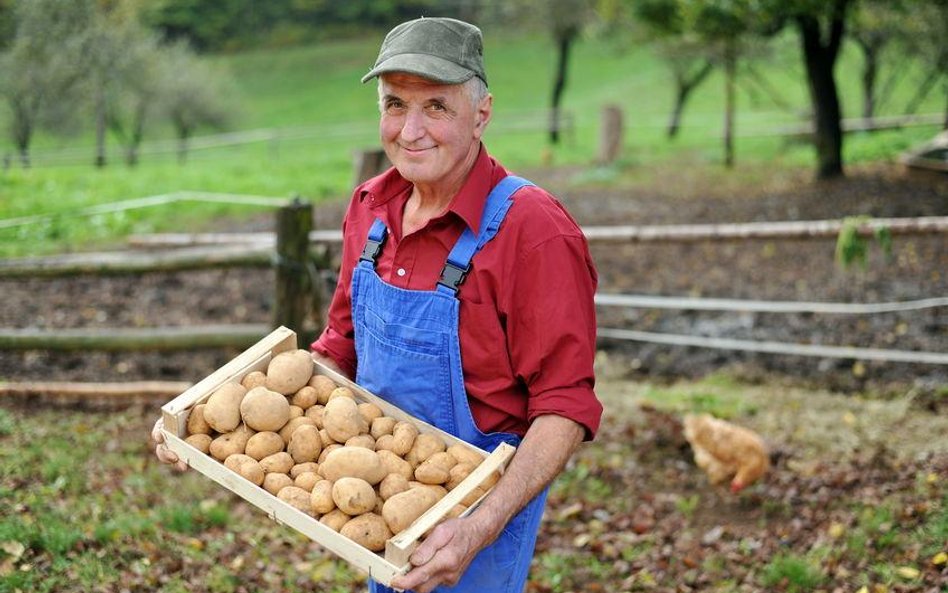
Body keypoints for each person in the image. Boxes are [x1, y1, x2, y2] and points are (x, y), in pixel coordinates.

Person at [154, 16, 602, 593]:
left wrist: (478, 527)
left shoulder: (533, 232)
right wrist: (209, 425)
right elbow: (338, 348)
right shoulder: (370, 209)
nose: (410, 130)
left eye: (436, 107)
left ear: (482, 112)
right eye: (395, 105)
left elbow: (564, 405)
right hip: (378, 496)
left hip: (474, 514)